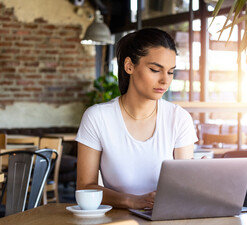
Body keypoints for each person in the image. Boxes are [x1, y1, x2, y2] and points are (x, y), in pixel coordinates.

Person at [76, 28, 198, 210]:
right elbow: (85, 187)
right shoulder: (97, 118)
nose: (165, 80)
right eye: (155, 70)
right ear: (129, 66)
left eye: (171, 72)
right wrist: (132, 201)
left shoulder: (178, 118)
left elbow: (184, 189)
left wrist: (198, 179)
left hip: (166, 224)